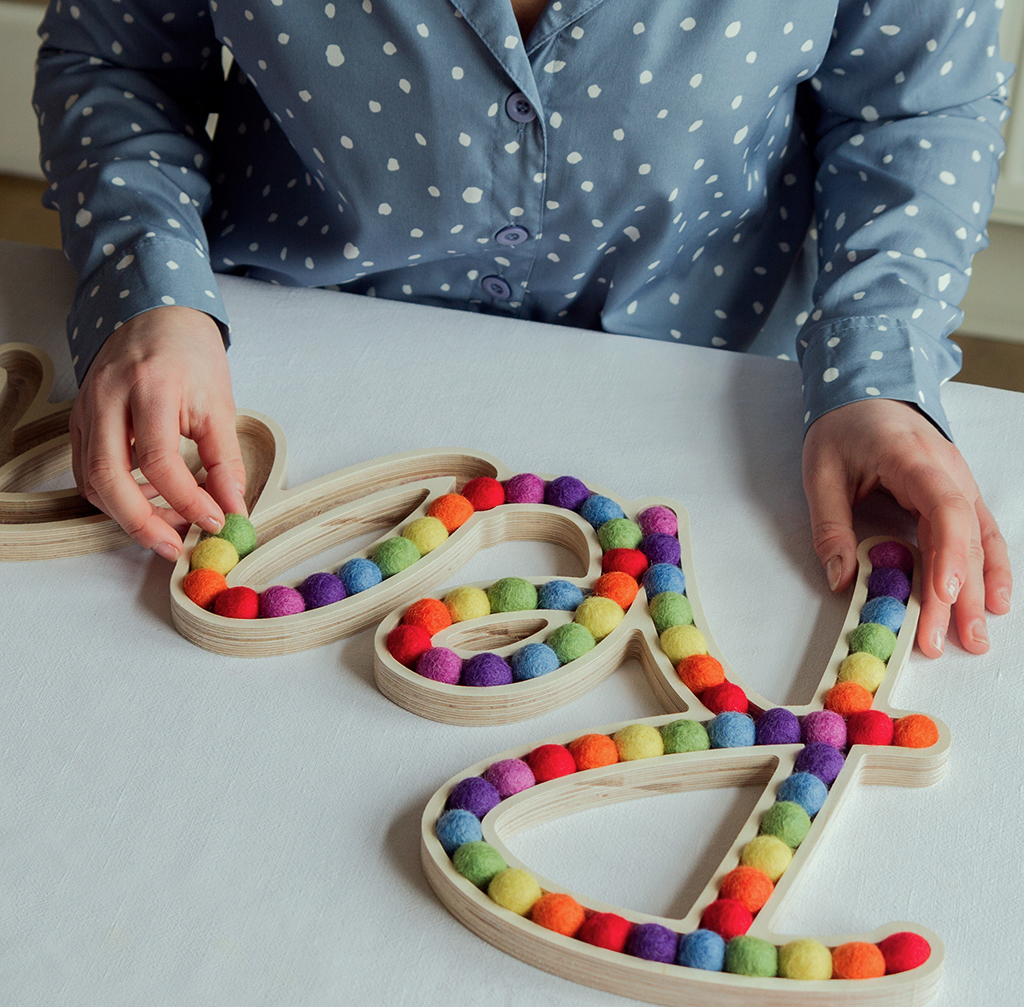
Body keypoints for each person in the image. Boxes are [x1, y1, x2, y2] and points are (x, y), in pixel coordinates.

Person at [34, 0, 1012, 657]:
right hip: (266, 373)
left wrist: (877, 371)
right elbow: (117, 59)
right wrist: (146, 286)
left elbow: (913, 106)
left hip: (704, 382)